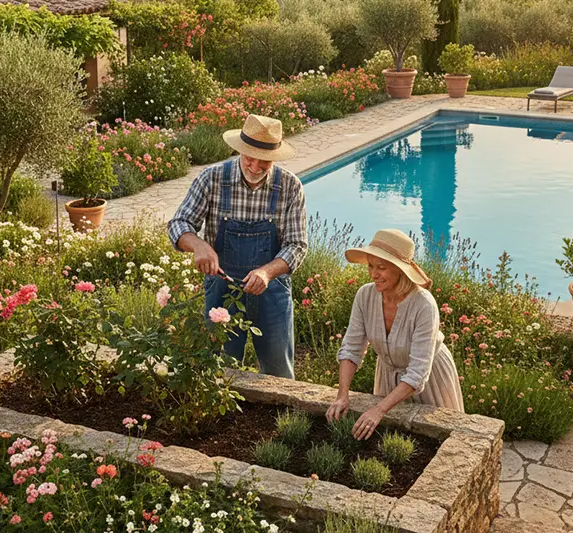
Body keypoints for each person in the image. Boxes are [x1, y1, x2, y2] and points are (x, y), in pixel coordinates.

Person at [168, 114, 307, 379]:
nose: (255, 166)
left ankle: (282, 420)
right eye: (249, 157)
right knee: (219, 370)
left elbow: (297, 245)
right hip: (222, 288)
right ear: (239, 149)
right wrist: (197, 245)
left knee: (279, 372)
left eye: (264, 161)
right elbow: (179, 223)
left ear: (275, 157)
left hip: (272, 292)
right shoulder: (212, 178)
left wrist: (266, 272)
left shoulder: (290, 186)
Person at [325, 229, 465, 440]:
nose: (373, 274)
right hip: (388, 377)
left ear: (401, 270)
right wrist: (342, 395)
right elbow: (352, 348)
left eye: (381, 268)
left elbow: (418, 372)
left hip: (431, 377)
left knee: (435, 443)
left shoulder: (424, 305)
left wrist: (378, 410)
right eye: (371, 266)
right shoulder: (365, 295)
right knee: (389, 441)